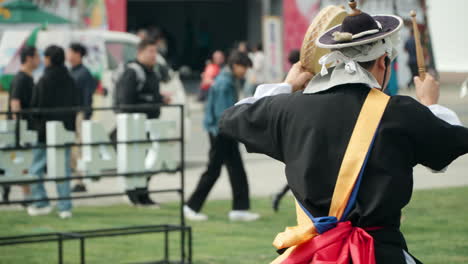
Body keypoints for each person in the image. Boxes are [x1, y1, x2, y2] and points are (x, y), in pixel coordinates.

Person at [218, 4, 468, 263]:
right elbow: (450, 145)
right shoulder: (399, 113)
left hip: (313, 256)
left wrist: (287, 84)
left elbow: (231, 118)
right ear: (383, 62)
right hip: (381, 253)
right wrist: (430, 105)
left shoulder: (289, 109)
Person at [184, 51, 260, 222]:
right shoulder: (225, 82)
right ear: (235, 65)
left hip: (224, 131)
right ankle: (191, 206)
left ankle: (239, 209)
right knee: (214, 171)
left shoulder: (228, 79)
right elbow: (223, 113)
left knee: (236, 170)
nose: (245, 71)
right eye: (244, 67)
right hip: (221, 132)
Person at [114, 38, 170, 207]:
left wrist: (160, 99)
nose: (154, 56)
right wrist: (154, 101)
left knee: (149, 163)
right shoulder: (132, 72)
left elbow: (149, 95)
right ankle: (136, 195)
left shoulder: (152, 71)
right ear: (140, 52)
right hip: (135, 126)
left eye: (156, 52)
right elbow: (126, 102)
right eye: (151, 52)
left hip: (150, 125)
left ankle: (141, 194)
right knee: (138, 163)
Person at [28, 45, 81, 219]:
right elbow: (76, 104)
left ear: (49, 59)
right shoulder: (70, 79)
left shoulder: (43, 80)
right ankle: (65, 207)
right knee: (63, 169)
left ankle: (41, 201)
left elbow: (36, 107)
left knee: (36, 167)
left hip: (43, 131)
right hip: (64, 131)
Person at [5, 46, 40, 204]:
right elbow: (15, 104)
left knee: (21, 162)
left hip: (25, 127)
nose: (39, 60)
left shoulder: (27, 77)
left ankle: (19, 193)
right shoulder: (21, 79)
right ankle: (26, 197)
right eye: (37, 56)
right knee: (24, 162)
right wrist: (19, 127)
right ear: (28, 58)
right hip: (22, 127)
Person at [67, 43, 97, 193]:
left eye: (71, 53)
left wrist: (86, 116)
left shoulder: (83, 73)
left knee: (77, 148)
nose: (68, 56)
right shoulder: (71, 71)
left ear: (78, 54)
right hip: (71, 114)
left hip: (79, 114)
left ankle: (79, 180)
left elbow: (87, 97)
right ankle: (76, 178)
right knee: (73, 148)